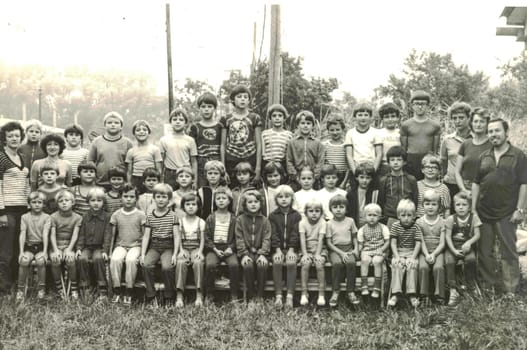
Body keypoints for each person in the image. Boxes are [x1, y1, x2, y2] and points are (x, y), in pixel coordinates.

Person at [472, 118, 527, 295]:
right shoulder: (484, 156)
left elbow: (524, 183)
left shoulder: (518, 155)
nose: (493, 134)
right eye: (490, 132)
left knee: (509, 251)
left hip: (507, 212)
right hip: (484, 212)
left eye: (497, 131)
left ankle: (511, 289)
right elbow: (476, 183)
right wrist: (473, 210)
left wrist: (519, 209)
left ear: (506, 132)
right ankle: (489, 287)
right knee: (485, 251)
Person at [0, 121, 30, 294]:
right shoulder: (1, 156)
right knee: (6, 251)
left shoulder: (22, 157)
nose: (14, 139)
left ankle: (17, 285)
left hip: (23, 209)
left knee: (19, 248)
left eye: (17, 135)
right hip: (7, 210)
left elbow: (26, 186)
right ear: (4, 138)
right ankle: (4, 287)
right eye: (10, 136)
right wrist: (1, 212)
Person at [140, 183, 178, 306]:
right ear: (154, 198)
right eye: (158, 196)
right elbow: (146, 236)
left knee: (167, 267)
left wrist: (175, 254)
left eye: (164, 197)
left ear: (169, 199)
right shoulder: (150, 215)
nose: (161, 199)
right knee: (146, 265)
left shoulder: (173, 216)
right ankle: (151, 295)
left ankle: (169, 296)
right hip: (154, 245)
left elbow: (176, 236)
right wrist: (142, 254)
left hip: (168, 246)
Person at [109, 183, 146, 305]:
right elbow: (113, 235)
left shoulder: (141, 215)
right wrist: (110, 252)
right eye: (125, 196)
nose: (128, 199)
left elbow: (145, 235)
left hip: (136, 246)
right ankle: (117, 289)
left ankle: (129, 290)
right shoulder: (116, 214)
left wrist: (143, 253)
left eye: (131, 196)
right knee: (115, 259)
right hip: (121, 245)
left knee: (130, 260)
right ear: (120, 198)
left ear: (136, 198)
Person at [221, 85, 262, 186]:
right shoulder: (226, 118)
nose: (242, 99)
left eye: (245, 97)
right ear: (233, 100)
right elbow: (222, 144)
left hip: (250, 158)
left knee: (250, 191)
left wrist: (258, 167)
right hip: (231, 159)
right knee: (232, 190)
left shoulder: (254, 117)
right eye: (239, 97)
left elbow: (259, 143)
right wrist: (223, 168)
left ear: (249, 100)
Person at [75, 187, 112, 300]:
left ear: (103, 202)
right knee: (81, 259)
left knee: (98, 259)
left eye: (99, 201)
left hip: (99, 247)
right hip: (87, 246)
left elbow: (107, 235)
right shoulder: (85, 216)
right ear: (88, 202)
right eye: (93, 200)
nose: (96, 203)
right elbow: (81, 234)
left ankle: (102, 287)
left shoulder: (107, 217)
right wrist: (79, 248)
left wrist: (105, 250)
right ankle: (85, 286)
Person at [204, 187, 240, 302]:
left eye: (224, 198)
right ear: (215, 201)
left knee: (234, 265)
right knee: (210, 265)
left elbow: (237, 237)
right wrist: (214, 249)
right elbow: (207, 237)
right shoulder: (211, 218)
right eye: (218, 198)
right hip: (214, 248)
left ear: (229, 201)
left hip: (228, 248)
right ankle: (209, 293)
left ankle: (234, 294)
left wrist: (231, 248)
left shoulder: (234, 218)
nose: (221, 200)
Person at [445, 191, 481, 306]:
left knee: (471, 260)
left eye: (464, 205)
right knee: (449, 261)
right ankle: (453, 290)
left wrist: (469, 243)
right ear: (454, 206)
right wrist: (453, 250)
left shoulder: (473, 217)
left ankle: (470, 285)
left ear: (469, 207)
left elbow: (477, 235)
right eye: (458, 205)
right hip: (453, 247)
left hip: (467, 246)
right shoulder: (451, 219)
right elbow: (447, 237)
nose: (461, 208)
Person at [235, 190, 271, 302]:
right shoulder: (240, 220)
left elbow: (267, 238)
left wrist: (263, 254)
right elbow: (239, 238)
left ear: (260, 204)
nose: (253, 204)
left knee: (262, 265)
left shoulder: (265, 220)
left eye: (256, 201)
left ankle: (260, 296)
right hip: (246, 252)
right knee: (247, 266)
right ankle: (250, 296)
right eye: (250, 202)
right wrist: (244, 254)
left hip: (261, 252)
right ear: (245, 205)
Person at [269, 185, 301, 308]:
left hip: (292, 249)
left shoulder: (296, 215)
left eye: (287, 197)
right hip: (277, 249)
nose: (284, 199)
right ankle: (278, 296)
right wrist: (277, 250)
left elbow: (295, 234)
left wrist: (292, 250)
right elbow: (273, 233)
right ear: (276, 199)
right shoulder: (273, 216)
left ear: (292, 199)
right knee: (277, 262)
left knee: (291, 263)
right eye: (280, 197)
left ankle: (289, 296)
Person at [16, 191, 51, 301]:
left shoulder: (47, 217)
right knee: (24, 261)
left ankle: (41, 290)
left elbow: (46, 234)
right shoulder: (25, 217)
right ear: (29, 204)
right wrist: (21, 252)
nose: (36, 204)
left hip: (41, 246)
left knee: (40, 261)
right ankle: (20, 291)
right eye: (34, 202)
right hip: (29, 246)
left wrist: (45, 252)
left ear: (44, 204)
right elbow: (22, 234)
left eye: (39, 202)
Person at [326, 195, 359, 307]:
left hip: (348, 248)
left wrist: (356, 249)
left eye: (341, 207)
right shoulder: (329, 223)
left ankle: (350, 291)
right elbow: (329, 243)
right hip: (335, 249)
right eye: (335, 207)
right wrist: (341, 253)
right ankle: (335, 291)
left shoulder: (350, 221)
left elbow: (354, 237)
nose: (338, 209)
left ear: (346, 209)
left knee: (351, 263)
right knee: (337, 264)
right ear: (331, 209)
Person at [387, 199, 422, 307]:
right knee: (397, 265)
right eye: (403, 215)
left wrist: (412, 257)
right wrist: (397, 257)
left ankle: (411, 294)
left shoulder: (416, 227)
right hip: (399, 252)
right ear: (398, 216)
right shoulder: (395, 226)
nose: (406, 218)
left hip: (412, 252)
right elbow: (393, 243)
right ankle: (395, 294)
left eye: (409, 215)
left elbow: (418, 244)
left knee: (412, 265)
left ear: (414, 216)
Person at [400, 90, 441, 180]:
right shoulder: (406, 125)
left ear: (428, 106)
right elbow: (404, 149)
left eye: (423, 104)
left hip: (428, 161)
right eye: (417, 104)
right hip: (411, 161)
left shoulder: (435, 125)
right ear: (412, 106)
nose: (420, 107)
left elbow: (435, 150)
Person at [49, 189, 82, 300]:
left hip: (69, 245)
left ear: (73, 202)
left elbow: (75, 235)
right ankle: (59, 288)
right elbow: (52, 235)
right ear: (57, 203)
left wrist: (69, 249)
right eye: (61, 201)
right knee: (55, 260)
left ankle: (74, 288)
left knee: (71, 260)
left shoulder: (77, 217)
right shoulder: (53, 217)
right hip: (56, 245)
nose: (64, 203)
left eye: (67, 200)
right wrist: (55, 250)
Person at [88, 111, 133, 190]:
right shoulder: (97, 141)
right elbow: (90, 162)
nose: (113, 125)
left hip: (120, 184)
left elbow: (130, 166)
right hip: (100, 183)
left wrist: (128, 182)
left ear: (121, 126)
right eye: (109, 122)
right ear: (105, 126)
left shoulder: (127, 142)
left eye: (116, 123)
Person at [175, 193, 206, 307]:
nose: (191, 207)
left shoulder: (201, 221)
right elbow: (178, 237)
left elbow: (202, 239)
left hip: (196, 247)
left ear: (198, 207)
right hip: (184, 247)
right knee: (180, 262)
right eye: (188, 204)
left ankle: (199, 293)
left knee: (198, 262)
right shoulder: (180, 221)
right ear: (183, 207)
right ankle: (179, 294)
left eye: (194, 204)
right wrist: (181, 250)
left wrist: (200, 252)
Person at [416, 190, 446, 304]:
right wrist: (427, 254)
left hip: (438, 251)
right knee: (423, 267)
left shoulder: (443, 222)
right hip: (424, 251)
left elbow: (442, 243)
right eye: (427, 204)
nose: (430, 207)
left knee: (438, 268)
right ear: (423, 205)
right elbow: (421, 241)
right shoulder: (419, 222)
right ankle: (424, 295)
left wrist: (433, 254)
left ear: (439, 206)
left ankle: (440, 295)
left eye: (434, 204)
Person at [189, 92, 224, 187]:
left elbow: (223, 146)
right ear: (199, 108)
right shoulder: (195, 127)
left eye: (209, 106)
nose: (206, 110)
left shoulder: (220, 126)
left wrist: (223, 167)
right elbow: (192, 154)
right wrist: (194, 179)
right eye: (203, 107)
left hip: (217, 163)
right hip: (201, 165)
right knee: (202, 192)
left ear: (215, 108)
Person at [378, 146, 418, 228]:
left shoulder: (411, 179)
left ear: (404, 162)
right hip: (389, 217)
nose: (395, 162)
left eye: (399, 160)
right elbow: (381, 200)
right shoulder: (384, 180)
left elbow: (415, 199)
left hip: (407, 217)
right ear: (388, 162)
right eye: (392, 160)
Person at [160, 108, 198, 191]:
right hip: (170, 174)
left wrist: (194, 180)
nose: (177, 122)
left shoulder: (190, 140)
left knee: (186, 198)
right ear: (170, 122)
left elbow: (194, 161)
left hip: (186, 174)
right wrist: (161, 178)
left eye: (181, 120)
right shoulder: (164, 140)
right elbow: (161, 162)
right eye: (174, 119)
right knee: (170, 199)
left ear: (185, 123)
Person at [455, 107, 491, 193]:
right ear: (471, 123)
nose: (478, 125)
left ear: (487, 124)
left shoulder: (493, 145)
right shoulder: (465, 144)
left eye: (482, 121)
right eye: (475, 121)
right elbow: (457, 172)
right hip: (466, 190)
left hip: (486, 190)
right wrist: (463, 190)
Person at [357, 203, 390, 299]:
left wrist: (382, 250)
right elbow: (361, 243)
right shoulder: (362, 229)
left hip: (380, 248)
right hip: (367, 249)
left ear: (379, 217)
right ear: (365, 216)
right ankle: (364, 285)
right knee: (365, 260)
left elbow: (387, 242)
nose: (372, 218)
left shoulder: (383, 228)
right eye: (369, 215)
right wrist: (359, 252)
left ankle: (377, 287)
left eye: (375, 215)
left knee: (377, 261)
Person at [440, 102, 472, 199]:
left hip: (470, 185)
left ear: (469, 118)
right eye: (454, 118)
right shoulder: (447, 140)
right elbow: (443, 162)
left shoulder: (476, 139)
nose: (457, 121)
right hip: (451, 184)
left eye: (461, 118)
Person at [286, 110, 325, 189]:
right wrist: (295, 177)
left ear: (313, 125)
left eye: (308, 123)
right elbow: (289, 160)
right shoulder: (292, 142)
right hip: (296, 178)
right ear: (297, 125)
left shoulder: (318, 143)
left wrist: (315, 176)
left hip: (313, 179)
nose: (305, 126)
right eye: (302, 123)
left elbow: (320, 161)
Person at [299, 199, 327, 306]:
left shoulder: (323, 222)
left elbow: (321, 239)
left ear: (321, 212)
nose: (314, 213)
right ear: (306, 213)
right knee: (305, 264)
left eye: (317, 211)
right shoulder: (302, 222)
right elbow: (302, 239)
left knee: (319, 265)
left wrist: (317, 254)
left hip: (320, 249)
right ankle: (304, 292)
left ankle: (321, 294)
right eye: (311, 211)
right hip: (306, 249)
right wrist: (305, 254)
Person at [344, 103, 383, 177]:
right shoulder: (350, 133)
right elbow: (349, 155)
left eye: (366, 115)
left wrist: (373, 171)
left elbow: (379, 154)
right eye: (360, 115)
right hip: (356, 169)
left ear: (370, 117)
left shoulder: (376, 132)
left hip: (371, 169)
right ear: (355, 117)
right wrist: (355, 172)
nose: (363, 118)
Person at [125, 120, 162, 194]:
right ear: (134, 133)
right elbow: (129, 172)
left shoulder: (155, 149)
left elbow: (159, 169)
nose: (141, 132)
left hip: (151, 179)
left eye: (144, 130)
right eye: (138, 130)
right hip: (136, 179)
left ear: (149, 133)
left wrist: (160, 183)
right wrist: (129, 183)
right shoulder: (131, 151)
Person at [416, 154, 450, 218]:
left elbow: (447, 209)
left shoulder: (444, 188)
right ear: (422, 170)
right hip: (419, 222)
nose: (430, 170)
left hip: (438, 223)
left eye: (434, 167)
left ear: (439, 171)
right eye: (427, 167)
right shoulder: (417, 185)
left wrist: (446, 223)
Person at [261, 104, 293, 172]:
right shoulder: (265, 134)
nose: (277, 118)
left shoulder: (289, 135)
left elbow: (289, 154)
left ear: (284, 118)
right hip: (267, 164)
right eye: (274, 116)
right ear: (270, 118)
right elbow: (263, 153)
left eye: (280, 116)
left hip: (282, 165)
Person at [346, 162, 378, 228]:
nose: (364, 180)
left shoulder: (375, 193)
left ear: (371, 179)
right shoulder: (351, 193)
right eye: (362, 177)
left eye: (368, 178)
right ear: (356, 178)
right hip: (355, 226)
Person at [323, 116, 349, 189]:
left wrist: (344, 182)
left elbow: (348, 166)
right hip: (329, 176)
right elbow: (322, 163)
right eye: (332, 130)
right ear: (328, 131)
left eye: (338, 129)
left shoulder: (346, 145)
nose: (335, 132)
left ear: (343, 130)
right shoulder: (324, 145)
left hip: (342, 176)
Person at [377, 102, 402, 177]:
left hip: (399, 167)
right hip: (383, 167)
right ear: (382, 119)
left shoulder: (401, 133)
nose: (390, 119)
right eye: (387, 117)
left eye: (393, 116)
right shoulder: (378, 133)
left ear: (398, 118)